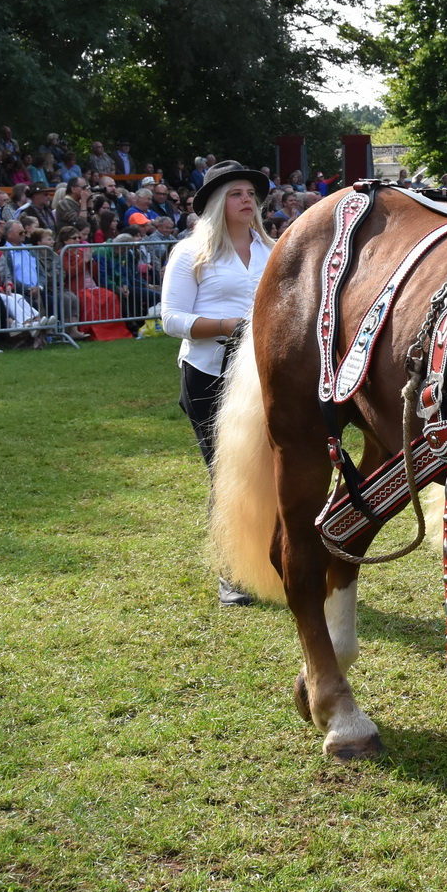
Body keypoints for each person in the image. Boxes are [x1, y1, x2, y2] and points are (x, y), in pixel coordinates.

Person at [159, 160, 273, 606]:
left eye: (251, 193)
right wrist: (229, 324)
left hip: (264, 374)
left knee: (270, 470)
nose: (248, 201)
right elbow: (171, 319)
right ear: (215, 205)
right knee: (226, 472)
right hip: (208, 374)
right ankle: (233, 573)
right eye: (237, 194)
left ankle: (271, 564)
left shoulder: (273, 249)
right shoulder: (191, 253)